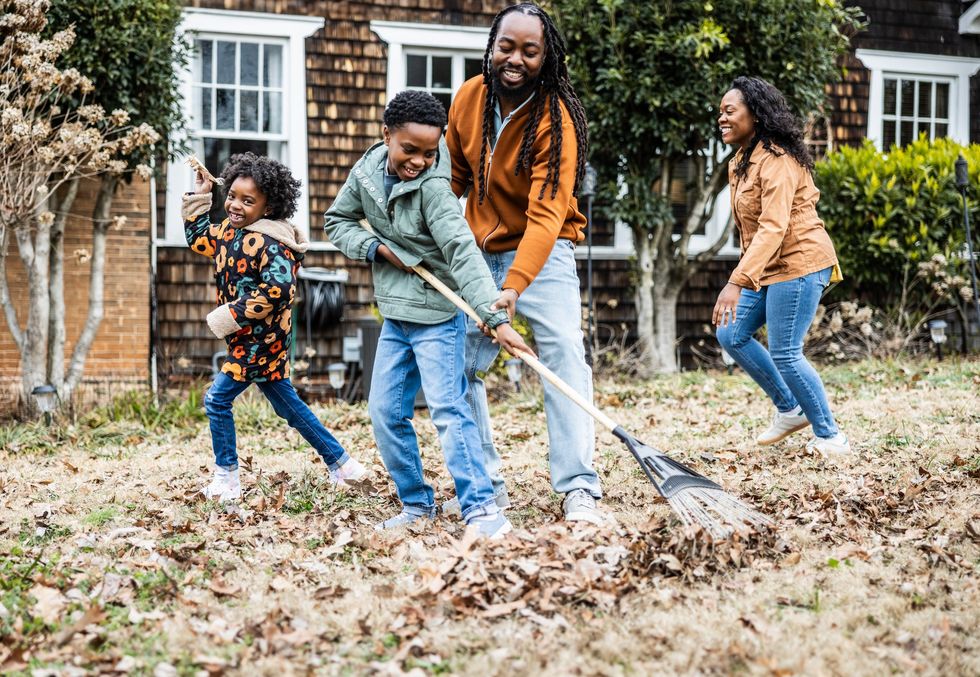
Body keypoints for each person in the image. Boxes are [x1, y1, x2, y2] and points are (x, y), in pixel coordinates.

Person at [323, 90, 534, 539]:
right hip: (397, 315)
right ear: (387, 136)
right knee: (384, 411)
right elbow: (336, 221)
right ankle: (417, 503)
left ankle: (482, 510)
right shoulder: (365, 172)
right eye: (409, 150)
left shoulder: (434, 190)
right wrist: (378, 249)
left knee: (448, 410)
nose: (418, 160)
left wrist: (495, 318)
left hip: (441, 314)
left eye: (429, 151)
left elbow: (461, 251)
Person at [444, 2, 603, 524]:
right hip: (476, 251)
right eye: (506, 47)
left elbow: (546, 215)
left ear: (545, 56)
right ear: (492, 47)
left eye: (529, 51)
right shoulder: (469, 97)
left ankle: (579, 487)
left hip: (545, 249)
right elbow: (453, 181)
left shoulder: (556, 119)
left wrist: (513, 287)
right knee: (458, 364)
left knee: (561, 356)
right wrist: (441, 240)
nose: (515, 59)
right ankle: (485, 484)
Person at [184, 152, 367, 502]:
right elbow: (199, 240)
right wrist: (201, 196)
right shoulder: (228, 230)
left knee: (216, 400)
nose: (235, 205)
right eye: (233, 196)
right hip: (247, 338)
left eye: (247, 201)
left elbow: (279, 290)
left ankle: (227, 481)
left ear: (268, 208)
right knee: (287, 405)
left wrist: (230, 315)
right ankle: (344, 465)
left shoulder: (271, 243)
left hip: (261, 339)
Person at [713, 76, 850, 457]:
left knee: (786, 350)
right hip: (769, 265)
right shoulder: (740, 161)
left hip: (800, 261)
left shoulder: (778, 161)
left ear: (754, 115)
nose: (721, 118)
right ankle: (790, 408)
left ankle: (830, 436)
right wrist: (747, 273)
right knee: (731, 333)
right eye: (719, 112)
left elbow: (774, 226)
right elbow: (751, 230)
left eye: (729, 111)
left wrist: (736, 281)